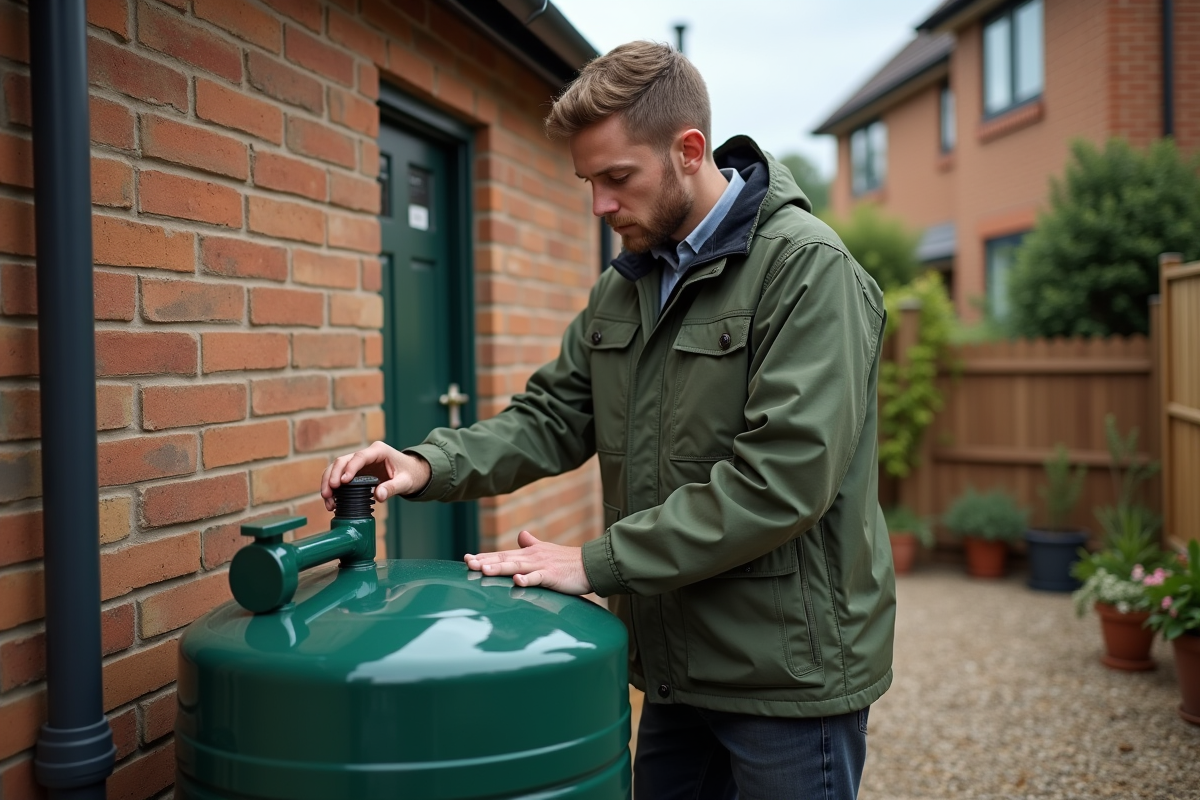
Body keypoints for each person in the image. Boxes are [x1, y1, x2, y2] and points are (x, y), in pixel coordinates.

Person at [321, 40, 895, 800]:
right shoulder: (624, 290)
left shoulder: (804, 271)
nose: (599, 206)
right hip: (672, 666)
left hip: (786, 677)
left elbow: (781, 480)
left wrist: (593, 563)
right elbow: (551, 416)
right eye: (589, 181)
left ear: (689, 150)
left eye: (617, 178)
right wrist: (428, 463)